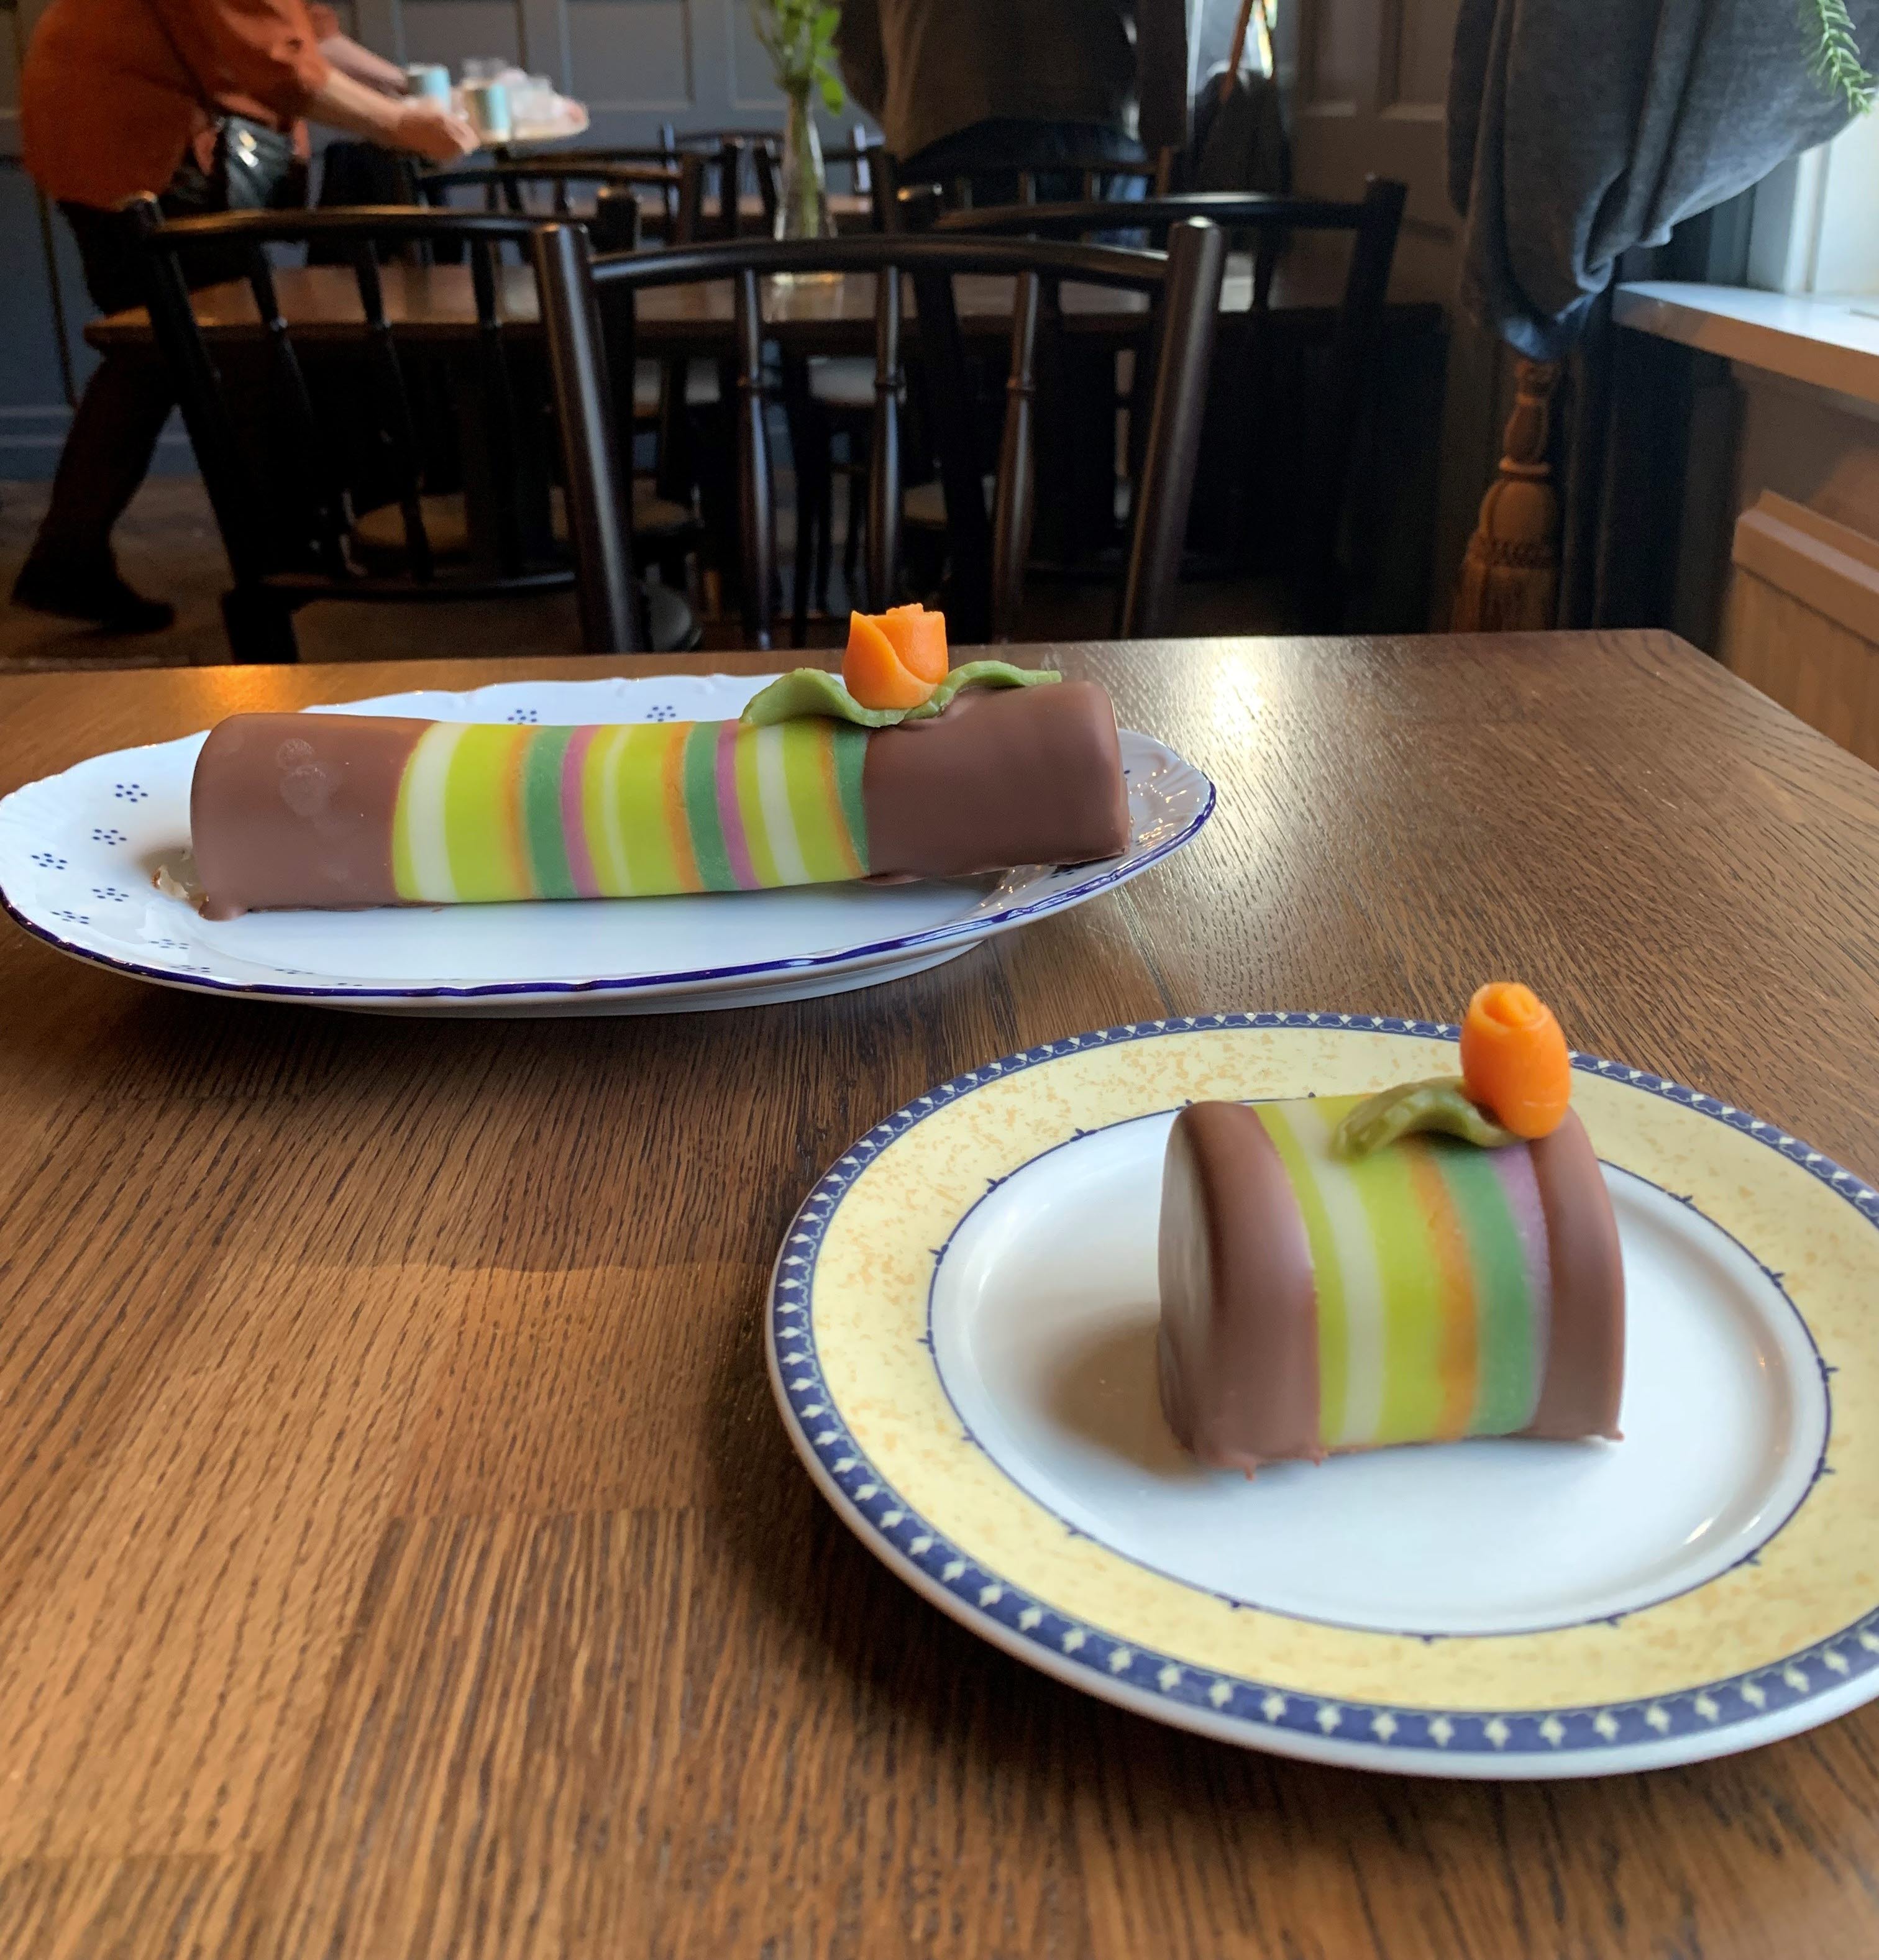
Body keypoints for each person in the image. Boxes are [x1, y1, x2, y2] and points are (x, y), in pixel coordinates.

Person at [12, 0, 479, 632]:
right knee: (220, 354)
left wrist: (405, 87)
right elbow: (279, 67)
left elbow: (305, 34)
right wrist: (402, 122)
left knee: (157, 356)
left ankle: (72, 556)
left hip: (115, 130)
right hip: (137, 139)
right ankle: (281, 572)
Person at [834, 0, 1143, 204]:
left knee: (945, 294)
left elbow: (856, 39)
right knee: (1107, 290)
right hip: (1095, 125)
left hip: (940, 122)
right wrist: (1167, 143)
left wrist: (907, 114)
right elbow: (1164, 28)